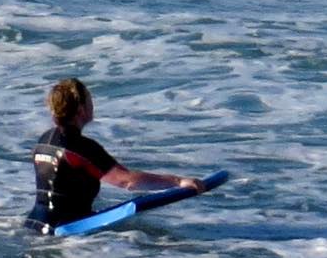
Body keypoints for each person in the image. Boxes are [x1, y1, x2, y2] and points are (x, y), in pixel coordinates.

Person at [26, 77, 206, 234]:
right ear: (81, 109)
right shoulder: (81, 147)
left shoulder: (44, 140)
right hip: (66, 230)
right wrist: (178, 182)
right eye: (90, 98)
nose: (92, 103)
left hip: (35, 224)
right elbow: (127, 181)